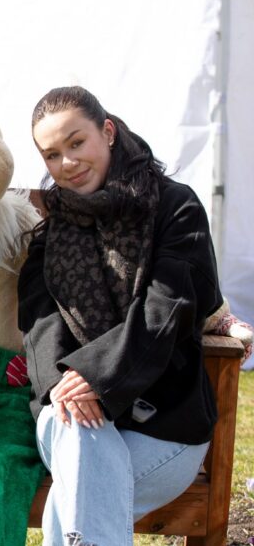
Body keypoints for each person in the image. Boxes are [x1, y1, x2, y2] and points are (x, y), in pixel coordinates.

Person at [19, 86, 252, 545]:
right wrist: (68, 384)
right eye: (52, 155)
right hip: (65, 413)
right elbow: (39, 324)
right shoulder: (51, 229)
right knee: (79, 428)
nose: (67, 162)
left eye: (76, 142)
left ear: (107, 132)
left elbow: (167, 311)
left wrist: (97, 376)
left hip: (163, 424)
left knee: (79, 489)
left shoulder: (176, 208)